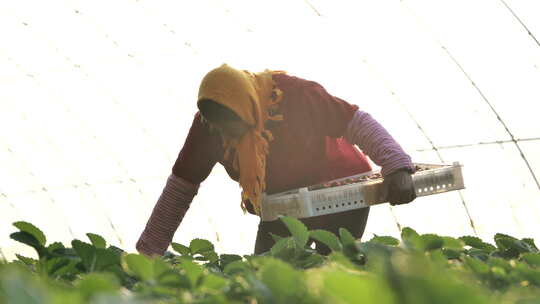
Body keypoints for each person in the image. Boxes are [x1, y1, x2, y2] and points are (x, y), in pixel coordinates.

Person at [136, 64, 416, 256]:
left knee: (333, 267)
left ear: (246, 104)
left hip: (339, 191)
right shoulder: (207, 128)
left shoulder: (295, 95)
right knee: (268, 273)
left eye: (231, 122)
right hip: (282, 203)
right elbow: (181, 186)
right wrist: (150, 250)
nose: (225, 131)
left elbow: (355, 122)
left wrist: (396, 166)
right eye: (216, 125)